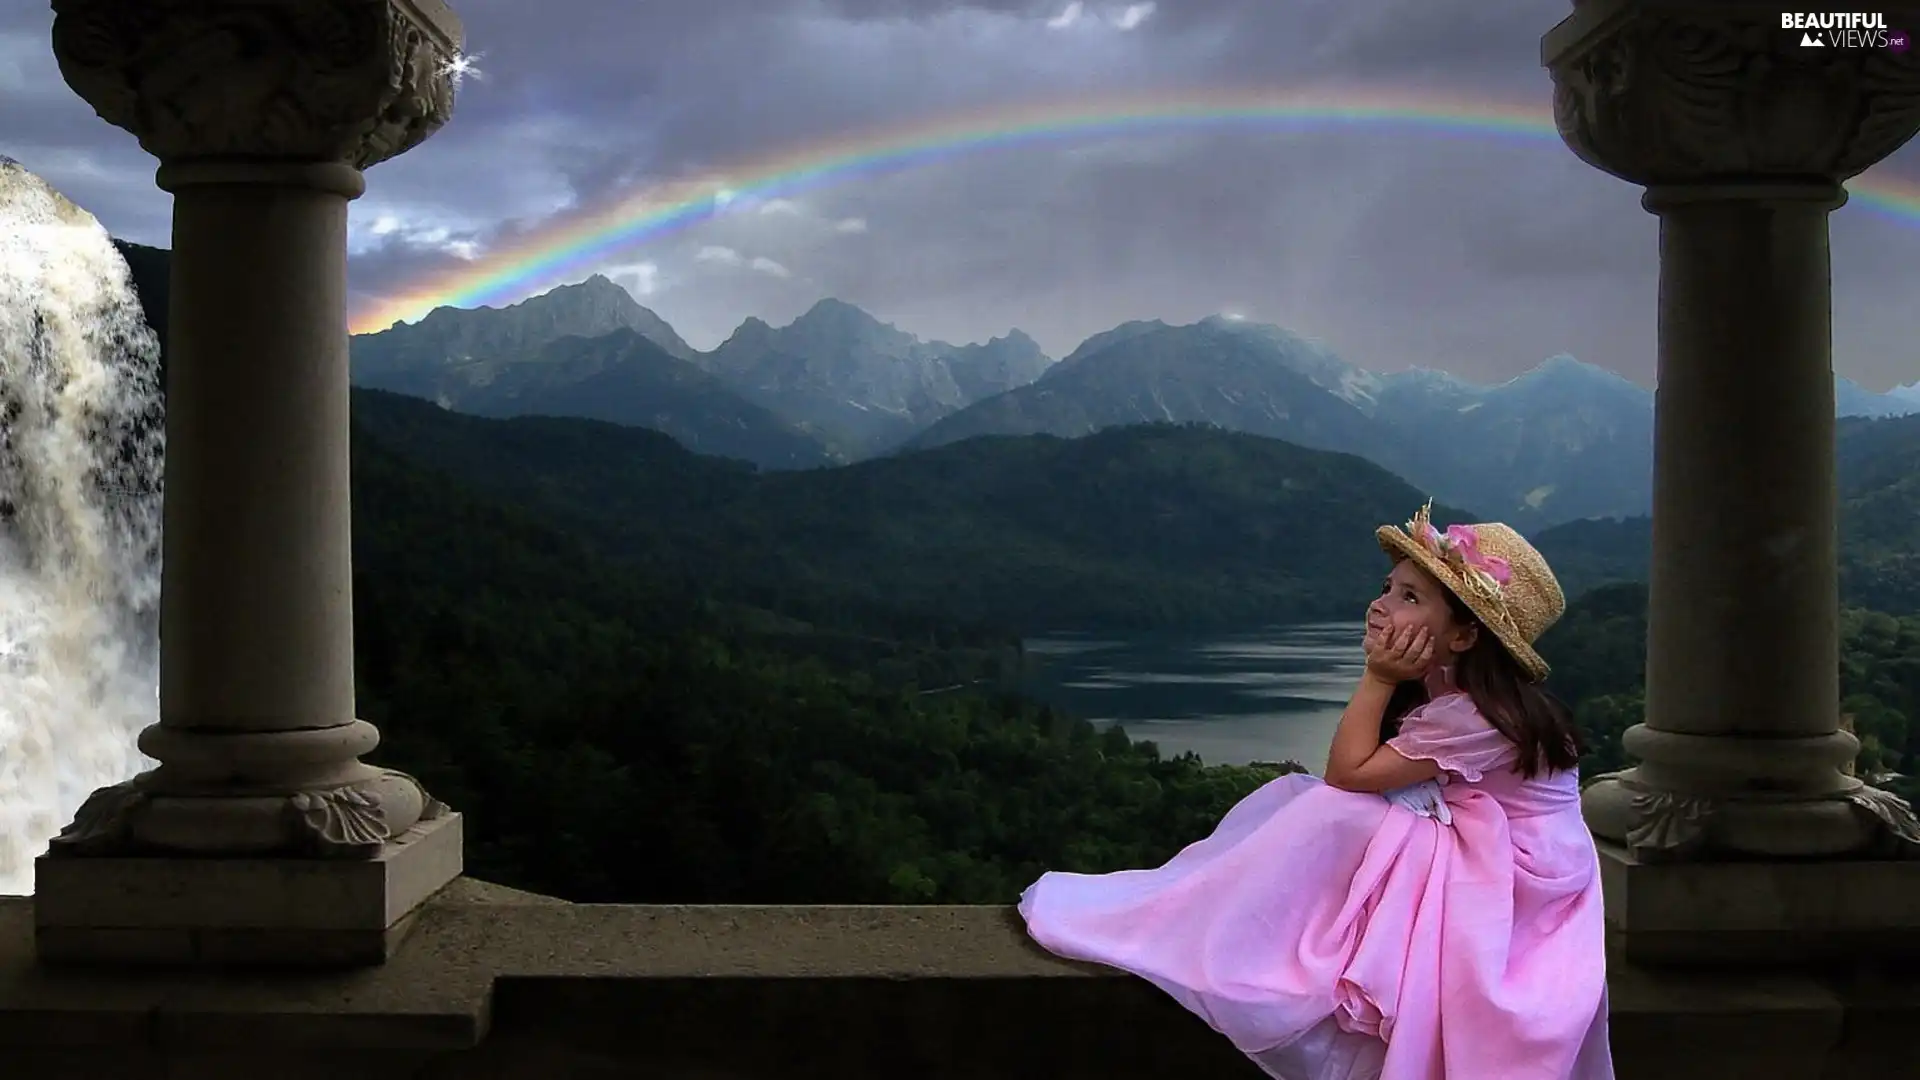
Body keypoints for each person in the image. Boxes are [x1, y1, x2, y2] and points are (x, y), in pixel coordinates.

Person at [1018, 501, 1613, 1080]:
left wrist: (1378, 676)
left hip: (1517, 876)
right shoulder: (1456, 693)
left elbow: (1348, 773)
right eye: (1388, 587)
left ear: (1463, 637)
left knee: (1332, 812)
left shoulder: (1475, 715)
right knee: (1326, 808)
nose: (1380, 606)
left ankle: (1240, 942)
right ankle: (1236, 928)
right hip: (1507, 846)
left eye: (1410, 597)